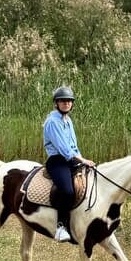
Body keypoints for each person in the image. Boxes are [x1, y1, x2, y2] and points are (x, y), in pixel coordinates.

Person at [42, 85, 93, 244]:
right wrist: (82, 160)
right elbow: (63, 148)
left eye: (69, 101)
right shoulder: (52, 122)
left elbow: (73, 145)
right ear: (56, 103)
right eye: (62, 101)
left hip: (72, 159)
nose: (66, 103)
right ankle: (60, 227)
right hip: (58, 161)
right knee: (68, 190)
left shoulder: (68, 121)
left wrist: (82, 158)